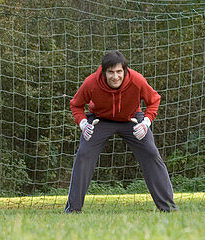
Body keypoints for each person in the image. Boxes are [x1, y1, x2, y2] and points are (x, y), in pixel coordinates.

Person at [65, 50, 177, 213]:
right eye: (110, 72)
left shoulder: (137, 80)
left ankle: (168, 208)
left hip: (131, 120)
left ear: (125, 71)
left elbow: (154, 100)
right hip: (99, 120)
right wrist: (83, 123)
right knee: (84, 154)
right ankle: (73, 210)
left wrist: (146, 122)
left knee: (151, 153)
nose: (115, 76)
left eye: (119, 72)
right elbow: (76, 104)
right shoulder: (91, 83)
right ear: (103, 73)